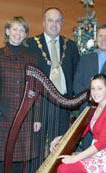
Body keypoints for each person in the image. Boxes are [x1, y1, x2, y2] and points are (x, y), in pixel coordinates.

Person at [0, 16, 41, 173]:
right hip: (4, 116)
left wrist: (37, 116)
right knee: (5, 158)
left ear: (25, 34)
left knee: (20, 158)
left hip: (26, 115)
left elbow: (37, 88)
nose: (18, 33)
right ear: (7, 31)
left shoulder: (32, 57)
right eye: (14, 29)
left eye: (22, 30)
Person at [27, 7, 79, 156]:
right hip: (39, 103)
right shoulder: (30, 45)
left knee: (60, 146)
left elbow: (76, 74)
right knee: (36, 147)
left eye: (57, 21)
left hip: (63, 103)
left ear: (61, 23)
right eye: (50, 20)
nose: (54, 24)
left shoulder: (70, 46)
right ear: (43, 23)